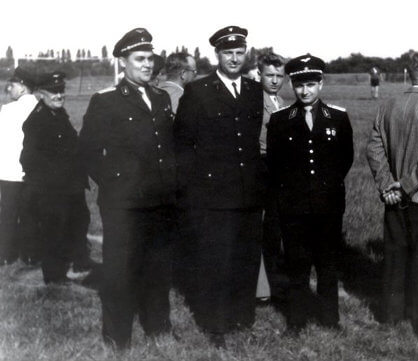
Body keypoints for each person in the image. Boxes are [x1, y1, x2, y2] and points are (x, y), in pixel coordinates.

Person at [79, 28, 177, 348]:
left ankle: (158, 328)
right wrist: (115, 181)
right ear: (123, 62)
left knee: (158, 268)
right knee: (121, 272)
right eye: (140, 59)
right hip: (124, 204)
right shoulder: (106, 100)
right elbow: (88, 152)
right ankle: (117, 339)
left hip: (159, 200)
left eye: (150, 59)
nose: (147, 65)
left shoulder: (161, 97)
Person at [174, 25, 264, 348]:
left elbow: (251, 142)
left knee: (246, 258)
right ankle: (215, 324)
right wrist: (194, 193)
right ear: (217, 55)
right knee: (217, 261)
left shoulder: (254, 91)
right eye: (229, 53)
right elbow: (183, 148)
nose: (235, 59)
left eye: (240, 53)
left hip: (250, 193)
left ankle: (242, 318)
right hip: (214, 196)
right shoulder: (198, 92)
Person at [366, 52, 418, 343]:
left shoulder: (387, 105)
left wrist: (388, 185)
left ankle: (391, 315)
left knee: (395, 256)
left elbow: (374, 150)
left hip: (393, 199)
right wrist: (406, 185)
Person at [267, 54, 354, 333]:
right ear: (292, 86)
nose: (305, 91)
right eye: (299, 85)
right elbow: (275, 164)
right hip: (294, 208)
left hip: (328, 206)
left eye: (311, 84)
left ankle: (330, 319)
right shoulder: (281, 120)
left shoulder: (338, 117)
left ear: (321, 84)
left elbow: (345, 158)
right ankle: (296, 321)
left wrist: (324, 188)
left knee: (328, 266)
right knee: (297, 266)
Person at [19, 71, 90, 284]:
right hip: (53, 190)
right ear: (41, 94)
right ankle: (54, 276)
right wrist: (51, 182)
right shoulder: (37, 120)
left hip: (70, 186)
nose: (59, 95)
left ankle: (78, 261)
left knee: (78, 222)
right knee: (54, 231)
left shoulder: (59, 114)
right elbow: (28, 159)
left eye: (61, 91)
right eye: (53, 91)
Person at [256, 52, 289, 304]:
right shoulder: (256, 101)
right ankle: (261, 287)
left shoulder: (280, 100)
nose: (275, 80)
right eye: (270, 75)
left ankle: (272, 279)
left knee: (274, 227)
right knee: (260, 226)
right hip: (261, 167)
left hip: (278, 169)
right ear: (260, 74)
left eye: (279, 75)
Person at [0, 67, 38, 265]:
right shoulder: (41, 108)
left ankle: (5, 255)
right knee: (30, 214)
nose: (10, 89)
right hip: (33, 172)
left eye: (13, 85)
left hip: (10, 171)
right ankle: (30, 255)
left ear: (22, 87)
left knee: (7, 215)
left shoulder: (8, 110)